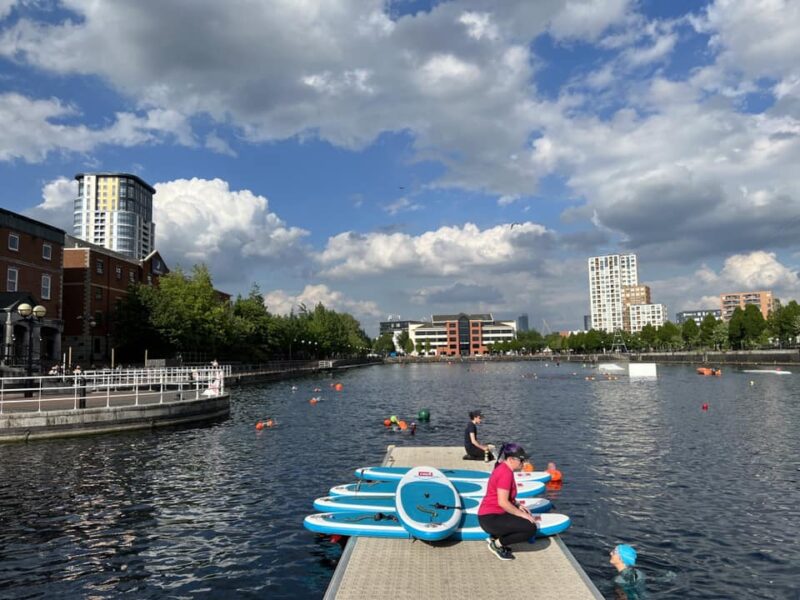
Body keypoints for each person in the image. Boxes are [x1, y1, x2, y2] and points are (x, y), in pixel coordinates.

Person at [478, 443, 538, 560]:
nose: (524, 463)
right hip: (490, 518)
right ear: (510, 459)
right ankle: (496, 545)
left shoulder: (505, 468)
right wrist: (521, 514)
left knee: (526, 516)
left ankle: (495, 537)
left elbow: (507, 497)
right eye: (521, 460)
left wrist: (517, 505)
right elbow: (503, 503)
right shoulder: (505, 473)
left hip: (494, 515)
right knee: (530, 528)